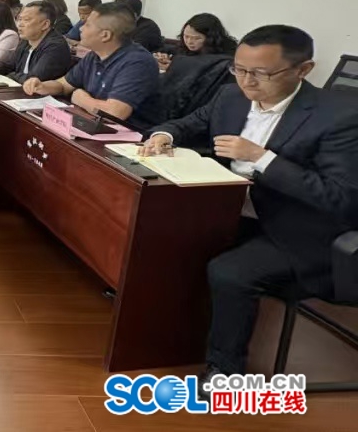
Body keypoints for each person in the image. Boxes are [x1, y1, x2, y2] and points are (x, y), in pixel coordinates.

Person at [139, 26, 358, 385]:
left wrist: (263, 158)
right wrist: (164, 135)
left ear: (303, 70)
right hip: (232, 208)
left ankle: (225, 371)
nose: (247, 81)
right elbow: (190, 123)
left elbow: (339, 197)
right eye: (239, 69)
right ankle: (161, 340)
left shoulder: (340, 116)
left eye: (261, 73)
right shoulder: (231, 95)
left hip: (298, 228)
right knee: (163, 239)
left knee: (230, 272)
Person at [24, 2, 162, 130]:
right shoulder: (95, 55)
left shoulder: (137, 62)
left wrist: (81, 98)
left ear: (105, 35)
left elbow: (115, 113)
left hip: (128, 136)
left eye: (88, 25)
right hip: (93, 124)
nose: (81, 28)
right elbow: (64, 85)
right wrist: (42, 86)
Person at [0, 0, 73, 82]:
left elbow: (35, 79)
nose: (20, 24)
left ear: (45, 24)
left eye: (26, 20)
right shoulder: (26, 40)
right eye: (19, 19)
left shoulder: (55, 46)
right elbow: (10, 65)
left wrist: (9, 76)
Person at [157, 13, 239, 72]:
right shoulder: (185, 47)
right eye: (186, 36)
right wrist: (166, 58)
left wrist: (175, 69)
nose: (189, 42)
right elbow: (173, 51)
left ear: (210, 38)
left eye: (197, 38)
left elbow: (205, 71)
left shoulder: (226, 55)